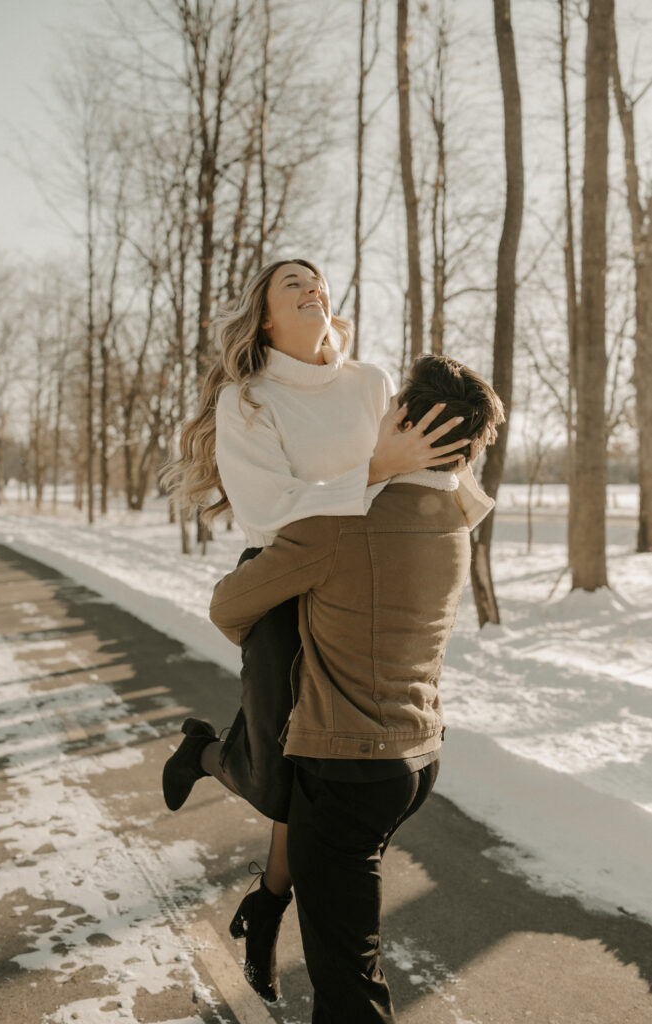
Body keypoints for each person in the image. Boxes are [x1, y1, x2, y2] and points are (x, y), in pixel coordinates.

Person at [160, 258, 489, 1000]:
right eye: (291, 283)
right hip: (286, 567)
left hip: (362, 571)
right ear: (266, 316)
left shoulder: (370, 382)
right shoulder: (247, 400)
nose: (312, 287)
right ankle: (206, 755)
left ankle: (267, 903)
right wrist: (373, 468)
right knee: (283, 780)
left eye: (318, 279)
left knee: (312, 777)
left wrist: (452, 508)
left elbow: (422, 466)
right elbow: (270, 511)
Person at [208, 353, 505, 1024]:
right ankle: (264, 906)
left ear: (402, 419)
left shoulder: (341, 523)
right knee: (349, 952)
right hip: (416, 759)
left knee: (348, 986)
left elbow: (228, 606)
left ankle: (259, 889)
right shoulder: (456, 520)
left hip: (346, 772)